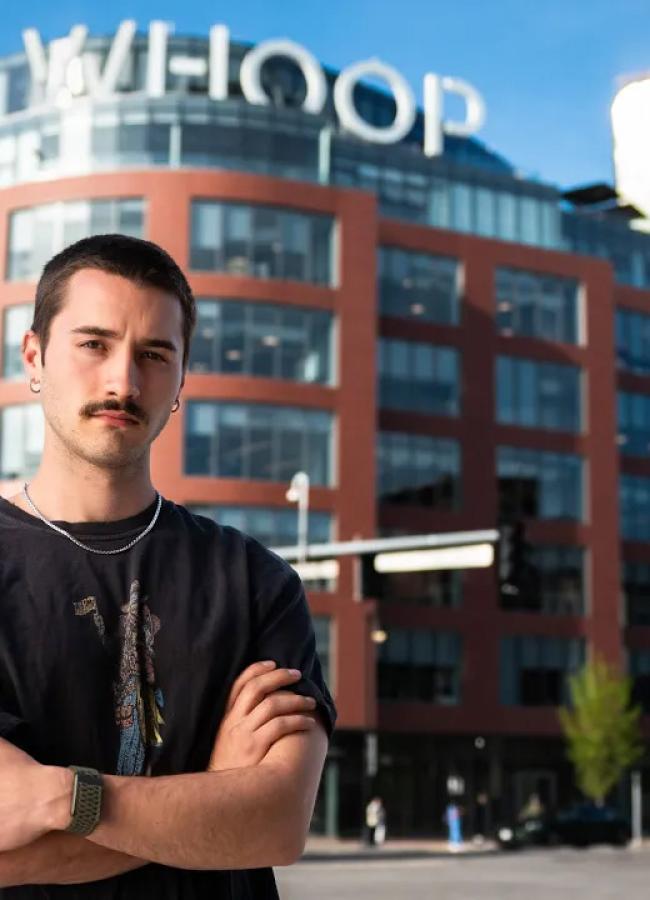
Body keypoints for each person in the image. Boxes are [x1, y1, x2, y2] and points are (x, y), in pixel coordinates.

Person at [0, 234, 337, 898]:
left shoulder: (258, 582)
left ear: (182, 380)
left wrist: (63, 798)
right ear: (33, 356)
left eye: (154, 355)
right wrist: (214, 796)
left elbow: (275, 824)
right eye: (94, 345)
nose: (123, 382)